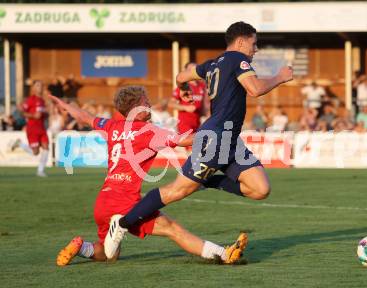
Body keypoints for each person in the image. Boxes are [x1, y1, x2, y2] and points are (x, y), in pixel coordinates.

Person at [104, 21, 294, 259]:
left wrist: (182, 85)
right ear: (241, 41)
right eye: (254, 44)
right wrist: (279, 77)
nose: (255, 50)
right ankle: (122, 223)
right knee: (176, 191)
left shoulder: (212, 64)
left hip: (231, 139)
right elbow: (254, 89)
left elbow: (181, 75)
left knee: (260, 189)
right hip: (214, 137)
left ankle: (207, 182)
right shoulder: (238, 59)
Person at [52, 86, 247, 266]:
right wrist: (218, 134)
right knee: (172, 229)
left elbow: (85, 117)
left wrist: (65, 105)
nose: (150, 105)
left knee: (108, 253)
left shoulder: (112, 126)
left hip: (103, 201)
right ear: (136, 108)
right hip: (125, 201)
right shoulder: (148, 131)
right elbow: (183, 140)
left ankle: (81, 246)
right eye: (146, 103)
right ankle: (224, 254)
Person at [11, 80, 50, 177]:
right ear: (34, 88)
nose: (40, 87)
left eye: (41, 85)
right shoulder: (30, 100)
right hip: (32, 129)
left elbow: (42, 115)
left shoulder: (42, 101)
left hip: (41, 128)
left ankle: (40, 171)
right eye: (37, 86)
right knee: (35, 152)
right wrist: (32, 116)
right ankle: (20, 144)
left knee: (46, 147)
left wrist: (46, 114)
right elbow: (21, 111)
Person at [170, 62, 208, 135]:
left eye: (195, 69)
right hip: (185, 123)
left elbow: (204, 105)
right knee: (191, 145)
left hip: (197, 122)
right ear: (186, 71)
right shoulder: (183, 86)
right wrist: (185, 108)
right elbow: (171, 104)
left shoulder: (202, 86)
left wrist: (207, 116)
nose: (193, 72)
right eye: (190, 70)